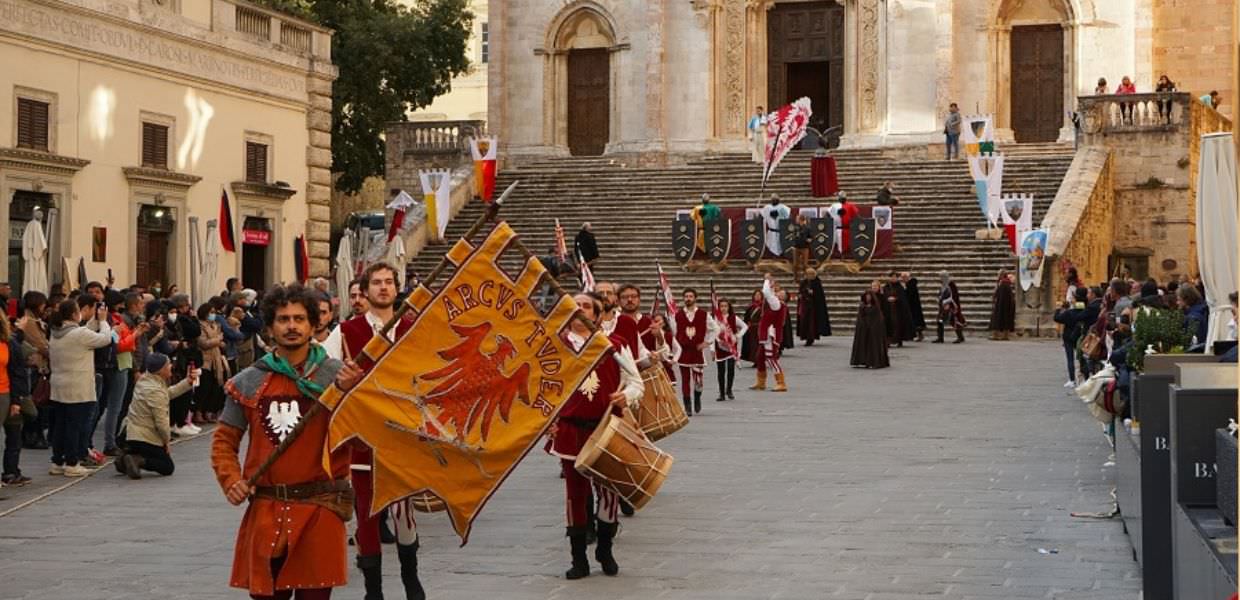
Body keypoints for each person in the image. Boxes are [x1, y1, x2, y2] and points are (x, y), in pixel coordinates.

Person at [211, 283, 357, 599]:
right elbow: (224, 440)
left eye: (299, 319)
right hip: (267, 509)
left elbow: (364, 434)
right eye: (283, 319)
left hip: (320, 509)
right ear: (270, 326)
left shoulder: (338, 378)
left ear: (313, 324)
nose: (291, 326)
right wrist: (232, 480)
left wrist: (352, 394)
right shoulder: (249, 381)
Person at [322, 262, 424, 600]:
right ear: (364, 291)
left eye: (388, 282)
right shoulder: (346, 331)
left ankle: (412, 581)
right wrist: (341, 381)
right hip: (363, 438)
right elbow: (320, 375)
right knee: (366, 513)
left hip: (402, 435)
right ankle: (374, 591)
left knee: (404, 511)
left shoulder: (413, 328)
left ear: (398, 288)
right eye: (376, 283)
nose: (383, 288)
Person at [550, 293, 643, 579]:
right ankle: (579, 558)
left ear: (598, 315)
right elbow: (540, 390)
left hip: (605, 427)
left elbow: (636, 383)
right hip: (570, 430)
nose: (579, 309)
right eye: (575, 306)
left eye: (586, 306)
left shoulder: (613, 346)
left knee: (608, 493)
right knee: (575, 495)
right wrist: (547, 421)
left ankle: (605, 548)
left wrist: (626, 396)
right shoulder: (556, 347)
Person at [48, 298, 113, 477]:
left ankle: (57, 461)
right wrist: (104, 321)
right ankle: (72, 462)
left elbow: (86, 332)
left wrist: (96, 320)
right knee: (75, 426)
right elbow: (104, 339)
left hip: (59, 386)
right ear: (74, 314)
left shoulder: (56, 332)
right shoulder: (78, 334)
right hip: (78, 387)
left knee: (60, 425)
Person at [120, 353, 198, 478]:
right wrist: (166, 441)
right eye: (168, 365)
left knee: (148, 451)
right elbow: (161, 422)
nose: (171, 366)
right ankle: (137, 460)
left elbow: (166, 394)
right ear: (161, 370)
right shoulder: (155, 390)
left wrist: (187, 382)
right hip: (144, 436)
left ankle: (125, 458)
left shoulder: (146, 381)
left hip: (131, 432)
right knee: (167, 466)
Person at [674, 288, 714, 415]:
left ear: (695, 298)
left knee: (698, 381)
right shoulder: (678, 315)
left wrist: (707, 343)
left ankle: (697, 397)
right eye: (686, 296)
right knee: (685, 380)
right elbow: (675, 333)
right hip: (684, 352)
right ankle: (687, 405)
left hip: (697, 352)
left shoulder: (703, 314)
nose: (688, 298)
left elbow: (716, 329)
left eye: (690, 296)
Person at [1, 313, 30, 485]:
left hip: (6, 394)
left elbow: (17, 372)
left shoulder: (9, 343)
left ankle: (11, 472)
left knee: (13, 434)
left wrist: (16, 400)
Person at [19, 291, 50, 450]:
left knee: (37, 402)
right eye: (43, 304)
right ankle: (31, 436)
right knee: (35, 402)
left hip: (37, 365)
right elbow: (40, 344)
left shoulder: (35, 320)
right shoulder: (29, 322)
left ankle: (33, 435)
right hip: (33, 366)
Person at [750, 274, 788, 392]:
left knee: (771, 358)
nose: (777, 292)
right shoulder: (774, 303)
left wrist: (767, 279)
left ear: (783, 298)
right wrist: (771, 284)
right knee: (760, 357)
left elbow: (766, 292)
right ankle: (761, 382)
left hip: (770, 335)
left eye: (781, 292)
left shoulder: (777, 304)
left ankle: (781, 382)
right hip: (766, 334)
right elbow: (769, 293)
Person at [194, 302, 230, 425]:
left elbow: (219, 340)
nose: (213, 315)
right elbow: (203, 343)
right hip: (206, 360)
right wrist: (218, 340)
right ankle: (198, 412)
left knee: (215, 386)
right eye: (211, 312)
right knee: (204, 386)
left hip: (217, 358)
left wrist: (220, 343)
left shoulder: (215, 325)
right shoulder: (201, 326)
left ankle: (209, 411)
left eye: (214, 312)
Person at [1054, 287, 1092, 386]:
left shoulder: (1070, 312)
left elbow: (1057, 318)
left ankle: (1072, 379)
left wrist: (1058, 309)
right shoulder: (1087, 310)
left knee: (1070, 358)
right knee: (1082, 358)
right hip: (1082, 335)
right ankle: (1085, 377)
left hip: (1068, 336)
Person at [711, 298, 745, 402]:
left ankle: (729, 390)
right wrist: (712, 349)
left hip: (731, 347)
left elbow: (745, 326)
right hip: (720, 347)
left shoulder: (733, 317)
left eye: (725, 306)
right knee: (721, 371)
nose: (723, 308)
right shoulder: (715, 319)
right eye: (721, 306)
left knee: (731, 369)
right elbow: (712, 334)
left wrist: (738, 335)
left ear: (729, 307)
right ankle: (721, 393)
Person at [850, 281, 890, 369]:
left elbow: (879, 317)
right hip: (864, 328)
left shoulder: (876, 307)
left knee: (874, 345)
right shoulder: (862, 306)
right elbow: (860, 318)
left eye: (869, 296)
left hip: (874, 328)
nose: (868, 298)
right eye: (866, 296)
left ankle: (875, 361)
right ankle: (862, 360)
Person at [797, 268, 831, 345]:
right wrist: (800, 295)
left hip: (814, 308)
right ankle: (805, 336)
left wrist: (813, 293)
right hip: (805, 306)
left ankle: (810, 338)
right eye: (808, 274)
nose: (809, 276)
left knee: (812, 324)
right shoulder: (804, 282)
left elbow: (820, 296)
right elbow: (800, 291)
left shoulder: (817, 283)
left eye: (811, 274)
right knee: (804, 322)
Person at [882, 272, 914, 347]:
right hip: (888, 309)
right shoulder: (886, 287)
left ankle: (899, 340)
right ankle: (888, 340)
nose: (893, 278)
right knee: (888, 325)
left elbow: (903, 298)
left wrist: (896, 299)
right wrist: (887, 298)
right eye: (891, 277)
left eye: (894, 277)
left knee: (898, 325)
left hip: (898, 310)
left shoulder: (900, 287)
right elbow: (884, 296)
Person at [933, 271, 965, 344]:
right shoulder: (943, 285)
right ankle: (940, 337)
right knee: (939, 321)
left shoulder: (951, 285)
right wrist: (939, 299)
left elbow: (953, 296)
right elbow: (941, 294)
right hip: (943, 307)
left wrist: (946, 302)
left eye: (941, 277)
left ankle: (960, 337)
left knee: (954, 321)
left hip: (951, 307)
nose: (940, 279)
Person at [988, 270, 1017, 340]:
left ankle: (996, 335)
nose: (997, 276)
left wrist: (994, 297)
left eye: (998, 274)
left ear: (1001, 275)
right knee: (1006, 319)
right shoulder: (1006, 283)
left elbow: (999, 294)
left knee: (997, 318)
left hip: (1002, 304)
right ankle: (1005, 335)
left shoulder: (1003, 283)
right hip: (1007, 304)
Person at [902, 273, 927, 342]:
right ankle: (915, 335)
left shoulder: (910, 285)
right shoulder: (909, 284)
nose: (903, 280)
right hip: (912, 305)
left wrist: (904, 290)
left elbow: (909, 295)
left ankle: (919, 335)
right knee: (914, 321)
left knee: (916, 321)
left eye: (903, 278)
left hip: (914, 306)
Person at [740, 290, 763, 366]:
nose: (757, 296)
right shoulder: (751, 306)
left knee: (759, 346)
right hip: (751, 329)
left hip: (760, 329)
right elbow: (747, 318)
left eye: (759, 295)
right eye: (756, 295)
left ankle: (759, 360)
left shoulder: (764, 306)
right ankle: (754, 360)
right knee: (752, 346)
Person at [792, 214, 812, 279]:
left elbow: (811, 237)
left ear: (801, 220)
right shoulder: (796, 227)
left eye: (798, 219)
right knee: (795, 264)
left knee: (805, 264)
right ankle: (795, 278)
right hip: (796, 247)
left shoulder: (807, 228)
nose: (797, 220)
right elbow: (794, 236)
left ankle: (805, 277)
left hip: (804, 247)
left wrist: (809, 240)